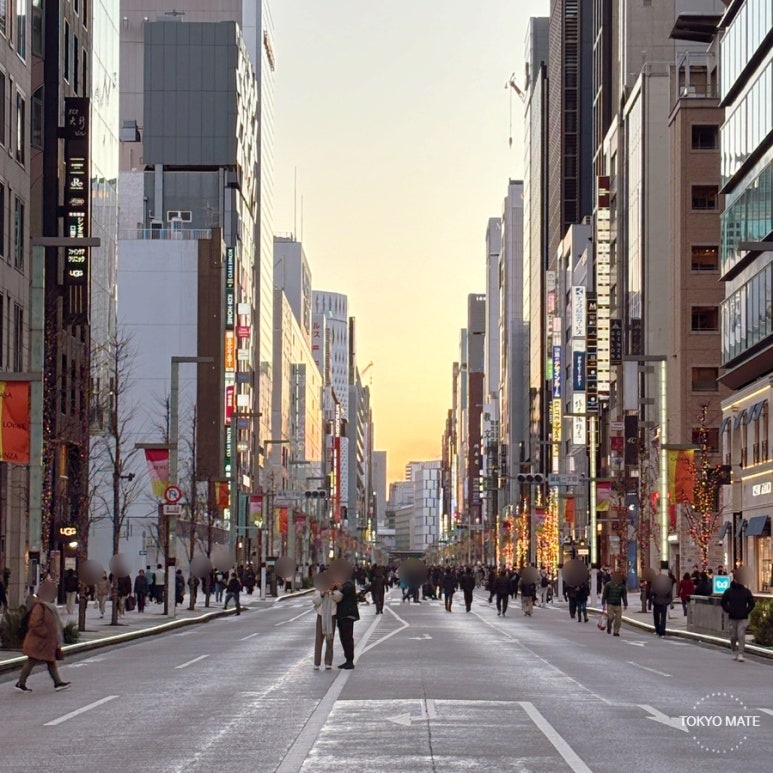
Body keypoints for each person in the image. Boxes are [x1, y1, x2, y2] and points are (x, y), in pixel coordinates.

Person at [15, 580, 71, 693]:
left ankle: (57, 682)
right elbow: (34, 623)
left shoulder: (48, 607)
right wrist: (45, 633)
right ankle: (21, 682)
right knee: (34, 661)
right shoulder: (40, 607)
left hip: (45, 642)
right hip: (39, 641)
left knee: (49, 661)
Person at [721, 572, 756, 662]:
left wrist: (746, 610)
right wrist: (729, 610)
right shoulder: (729, 591)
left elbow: (752, 603)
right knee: (733, 636)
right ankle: (734, 650)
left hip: (743, 617)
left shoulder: (746, 591)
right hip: (732, 617)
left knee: (741, 635)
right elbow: (723, 602)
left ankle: (741, 653)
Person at [312, 582, 342, 670]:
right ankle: (316, 663)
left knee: (330, 639)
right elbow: (315, 601)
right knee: (318, 640)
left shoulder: (335, 591)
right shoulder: (318, 590)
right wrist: (322, 594)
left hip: (331, 617)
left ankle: (328, 662)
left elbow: (339, 598)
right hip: (321, 616)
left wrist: (332, 593)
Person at [336, 574, 360, 669]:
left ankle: (350, 660)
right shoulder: (343, 584)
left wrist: (339, 587)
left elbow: (345, 590)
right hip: (341, 614)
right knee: (343, 637)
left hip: (348, 614)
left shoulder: (348, 584)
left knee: (347, 637)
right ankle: (347, 659)